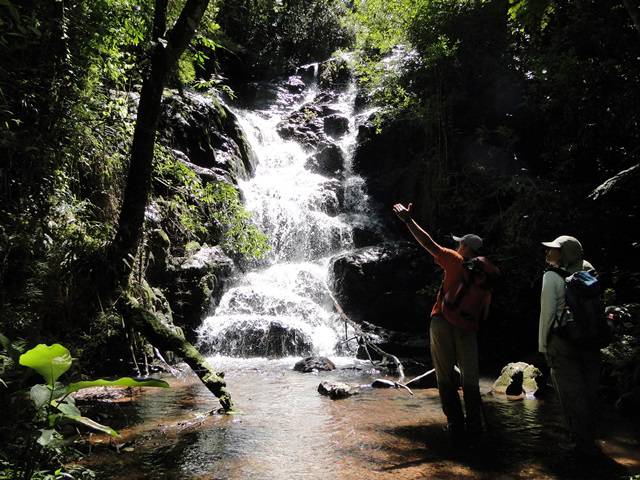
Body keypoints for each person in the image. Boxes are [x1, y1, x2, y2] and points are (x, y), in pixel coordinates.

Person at [393, 202, 495, 443]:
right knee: (470, 378)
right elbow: (485, 310)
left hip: (442, 322)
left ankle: (455, 424)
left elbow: (428, 243)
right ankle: (476, 426)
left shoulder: (453, 259)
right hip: (468, 328)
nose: (457, 245)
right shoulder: (487, 273)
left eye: (460, 243)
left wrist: (408, 221)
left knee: (445, 375)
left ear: (464, 247)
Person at [539, 235, 601, 456]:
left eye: (553, 250)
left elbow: (547, 314)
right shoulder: (590, 271)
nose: (548, 253)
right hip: (590, 341)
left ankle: (578, 445)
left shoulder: (552, 276)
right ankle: (591, 441)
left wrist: (543, 346)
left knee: (570, 395)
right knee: (589, 392)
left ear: (564, 254)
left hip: (562, 342)